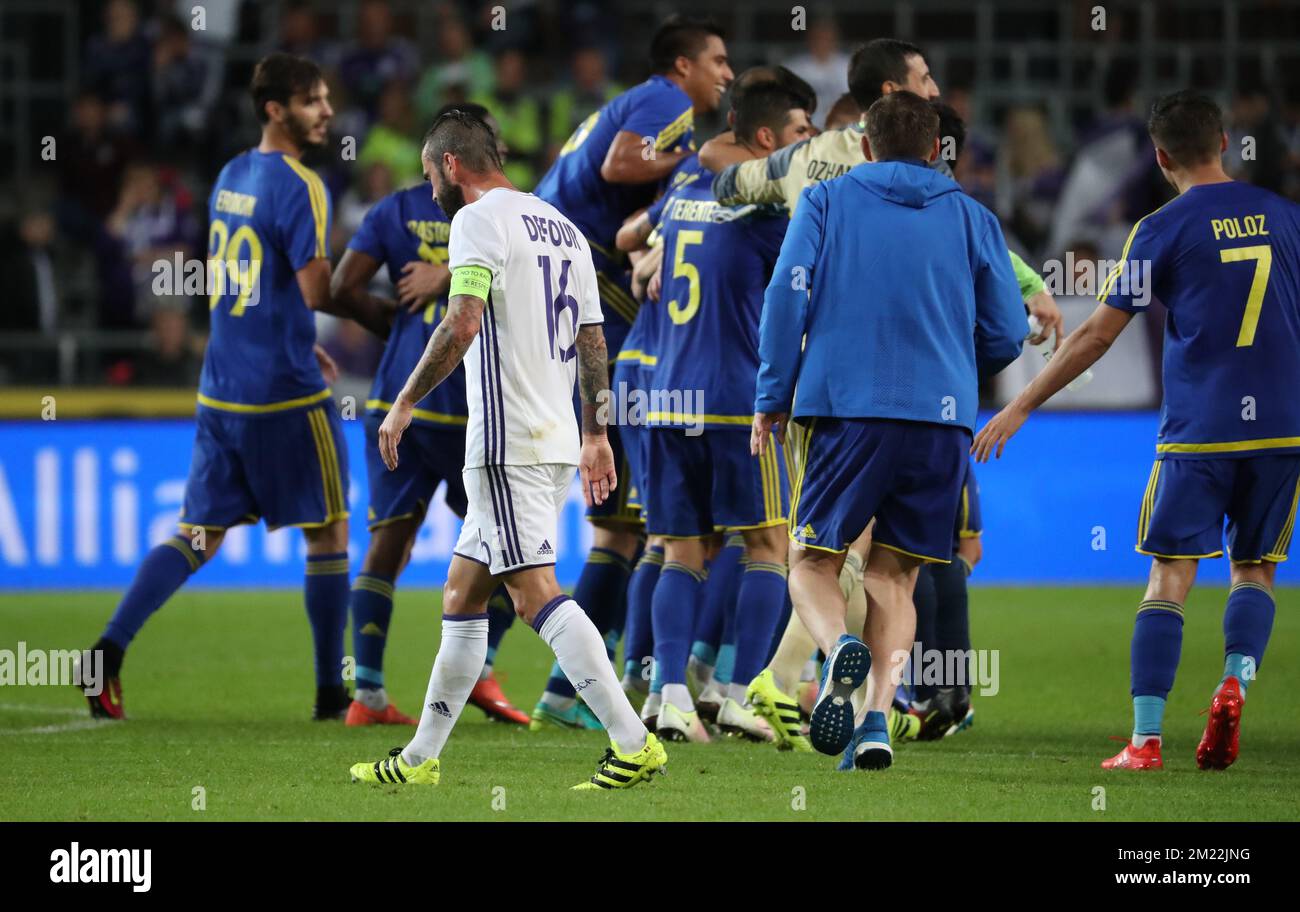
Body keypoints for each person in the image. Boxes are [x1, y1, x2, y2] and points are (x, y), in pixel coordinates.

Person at [974, 91, 1300, 772]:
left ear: (1159, 156)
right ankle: (1236, 679)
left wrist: (1023, 402)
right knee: (1256, 569)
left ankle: (1146, 741)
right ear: (1223, 140)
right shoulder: (1286, 217)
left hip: (1199, 430)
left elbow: (1097, 334)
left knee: (1169, 577)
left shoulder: (1160, 229)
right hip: (1281, 429)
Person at [349, 110, 666, 790]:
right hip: (551, 437)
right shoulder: (560, 226)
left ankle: (633, 740)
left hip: (507, 441)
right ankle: (418, 760)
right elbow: (592, 340)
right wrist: (594, 432)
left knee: (533, 595)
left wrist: (404, 400)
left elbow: (462, 321)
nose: (431, 186)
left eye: (432, 173)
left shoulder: (476, 220)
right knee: (464, 594)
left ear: (451, 166)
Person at [82, 54, 361, 721]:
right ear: (276, 110)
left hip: (222, 387)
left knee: (199, 534)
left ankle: (107, 651)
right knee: (328, 532)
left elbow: (247, 281)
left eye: (325, 99)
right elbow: (317, 289)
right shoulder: (302, 185)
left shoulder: (230, 174)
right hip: (285, 396)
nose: (327, 112)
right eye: (313, 101)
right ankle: (329, 693)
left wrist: (299, 337)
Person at [753, 91, 1026, 770]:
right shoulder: (972, 215)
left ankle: (834, 648)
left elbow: (787, 292)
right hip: (939, 422)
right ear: (937, 150)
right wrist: (959, 372)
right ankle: (875, 719)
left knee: (812, 561)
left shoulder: (828, 201)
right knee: (896, 579)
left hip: (845, 409)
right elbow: (1009, 331)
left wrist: (773, 392)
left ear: (866, 145)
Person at [527, 16, 733, 729]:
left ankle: (570, 687)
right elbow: (620, 165)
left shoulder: (632, 103)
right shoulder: (664, 102)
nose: (726, 76)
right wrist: (688, 171)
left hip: (556, 270)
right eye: (717, 62)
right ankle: (593, 684)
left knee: (624, 526)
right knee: (635, 526)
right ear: (683, 65)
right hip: (581, 279)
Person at [329, 103, 529, 728]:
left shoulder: (394, 210)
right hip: (473, 406)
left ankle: (366, 694)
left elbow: (339, 287)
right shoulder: (510, 213)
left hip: (404, 400)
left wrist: (397, 320)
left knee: (388, 544)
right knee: (510, 550)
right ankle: (484, 670)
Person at [634, 80, 814, 744]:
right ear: (765, 139)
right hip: (738, 402)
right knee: (768, 545)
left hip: (666, 398)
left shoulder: (681, 198)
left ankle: (669, 696)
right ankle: (740, 695)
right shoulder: (773, 219)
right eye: (800, 133)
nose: (807, 147)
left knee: (681, 551)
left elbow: (644, 247)